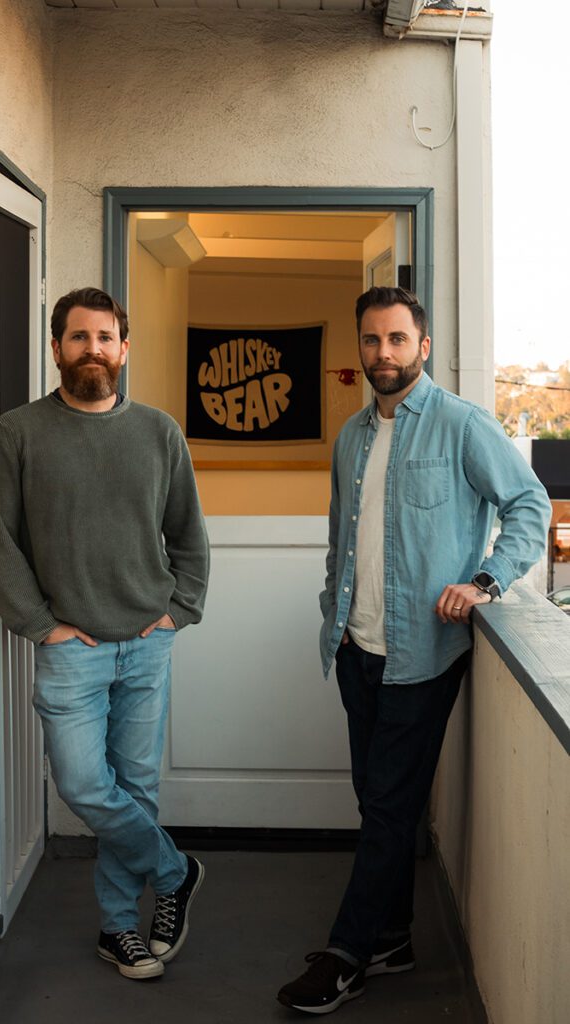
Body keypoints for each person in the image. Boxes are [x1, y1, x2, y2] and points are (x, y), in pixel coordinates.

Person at [277, 286, 551, 1015]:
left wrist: (486, 580)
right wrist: (334, 616)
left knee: (391, 806)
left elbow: (529, 504)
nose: (384, 352)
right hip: (355, 648)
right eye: (371, 339)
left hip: (423, 655)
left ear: (422, 346)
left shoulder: (463, 425)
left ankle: (345, 955)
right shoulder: (351, 436)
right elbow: (341, 537)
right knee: (378, 804)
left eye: (397, 339)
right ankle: (392, 938)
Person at [0, 287, 210, 981]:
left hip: (146, 642)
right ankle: (174, 871)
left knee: (135, 789)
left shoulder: (159, 432)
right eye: (79, 337)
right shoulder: (16, 434)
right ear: (56, 348)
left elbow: (188, 535)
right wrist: (41, 626)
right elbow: (0, 543)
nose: (93, 349)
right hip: (69, 648)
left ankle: (119, 929)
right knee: (83, 784)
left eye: (105, 337)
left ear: (123, 348)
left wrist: (178, 610)